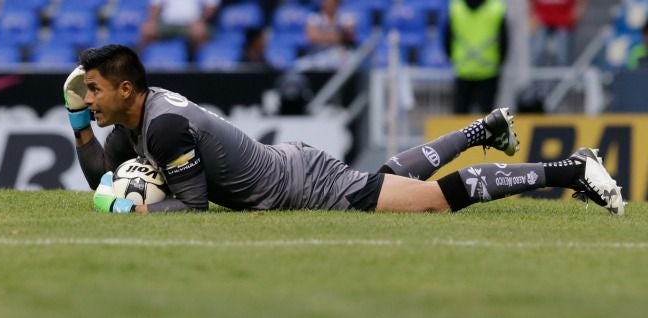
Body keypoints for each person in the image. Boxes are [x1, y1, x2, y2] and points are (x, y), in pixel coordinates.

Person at [63, 44, 624, 216]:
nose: (88, 97)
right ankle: (484, 128)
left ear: (126, 90)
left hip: (300, 185)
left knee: (430, 202)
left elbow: (192, 205)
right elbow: (101, 182)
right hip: (291, 167)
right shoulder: (134, 120)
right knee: (383, 180)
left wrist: (136, 210)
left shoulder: (161, 130)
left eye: (92, 90)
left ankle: (573, 168)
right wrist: (78, 124)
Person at [444, 0, 509, 114]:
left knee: (460, 117)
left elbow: (447, 37)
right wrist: (500, 61)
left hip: (463, 69)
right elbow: (504, 40)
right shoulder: (496, 7)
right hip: (489, 70)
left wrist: (453, 58)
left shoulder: (456, 7)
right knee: (488, 120)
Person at [140, 0, 219, 60]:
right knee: (147, 30)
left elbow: (210, 7)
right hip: (166, 24)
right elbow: (155, 6)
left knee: (200, 32)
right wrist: (153, 21)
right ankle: (137, 69)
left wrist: (201, 21)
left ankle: (196, 71)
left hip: (192, 24)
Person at [530, 0, 587, 67]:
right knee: (538, 52)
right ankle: (536, 75)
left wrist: (578, 12)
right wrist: (531, 14)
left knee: (563, 57)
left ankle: (564, 75)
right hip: (540, 19)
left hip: (565, 20)